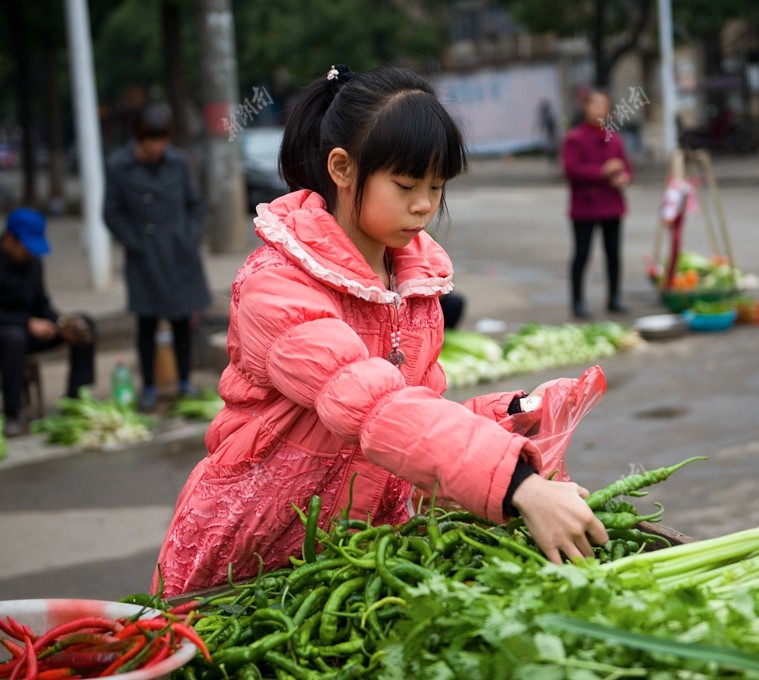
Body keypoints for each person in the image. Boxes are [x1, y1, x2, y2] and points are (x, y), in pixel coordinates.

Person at [152, 64, 608, 596]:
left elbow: (413, 422)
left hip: (349, 556)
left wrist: (509, 417)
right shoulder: (276, 286)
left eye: (437, 187)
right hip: (250, 557)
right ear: (343, 169)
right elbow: (369, 405)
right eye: (406, 184)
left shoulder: (414, 290)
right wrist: (516, 485)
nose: (424, 205)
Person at [103, 104, 211, 412]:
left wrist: (190, 237)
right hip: (145, 256)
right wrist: (135, 242)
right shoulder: (119, 166)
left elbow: (196, 204)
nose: (157, 147)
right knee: (147, 323)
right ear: (139, 138)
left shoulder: (179, 162)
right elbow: (112, 212)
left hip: (179, 252)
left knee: (182, 321)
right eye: (151, 140)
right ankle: (149, 386)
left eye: (162, 140)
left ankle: (185, 383)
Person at [0, 208, 96, 437]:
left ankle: (75, 399)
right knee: (14, 337)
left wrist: (60, 322)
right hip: (7, 335)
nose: (30, 254)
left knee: (84, 324)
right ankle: (13, 412)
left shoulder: (33, 264)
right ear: (9, 239)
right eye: (26, 247)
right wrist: (27, 323)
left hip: (29, 332)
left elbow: (41, 303)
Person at [562, 89, 633, 319]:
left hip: (612, 205)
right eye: (595, 105)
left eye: (604, 105)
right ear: (585, 108)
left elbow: (627, 167)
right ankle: (578, 302)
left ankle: (614, 297)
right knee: (582, 254)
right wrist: (603, 171)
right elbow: (572, 170)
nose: (600, 109)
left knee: (613, 253)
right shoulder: (574, 138)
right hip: (585, 207)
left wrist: (624, 177)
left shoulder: (614, 138)